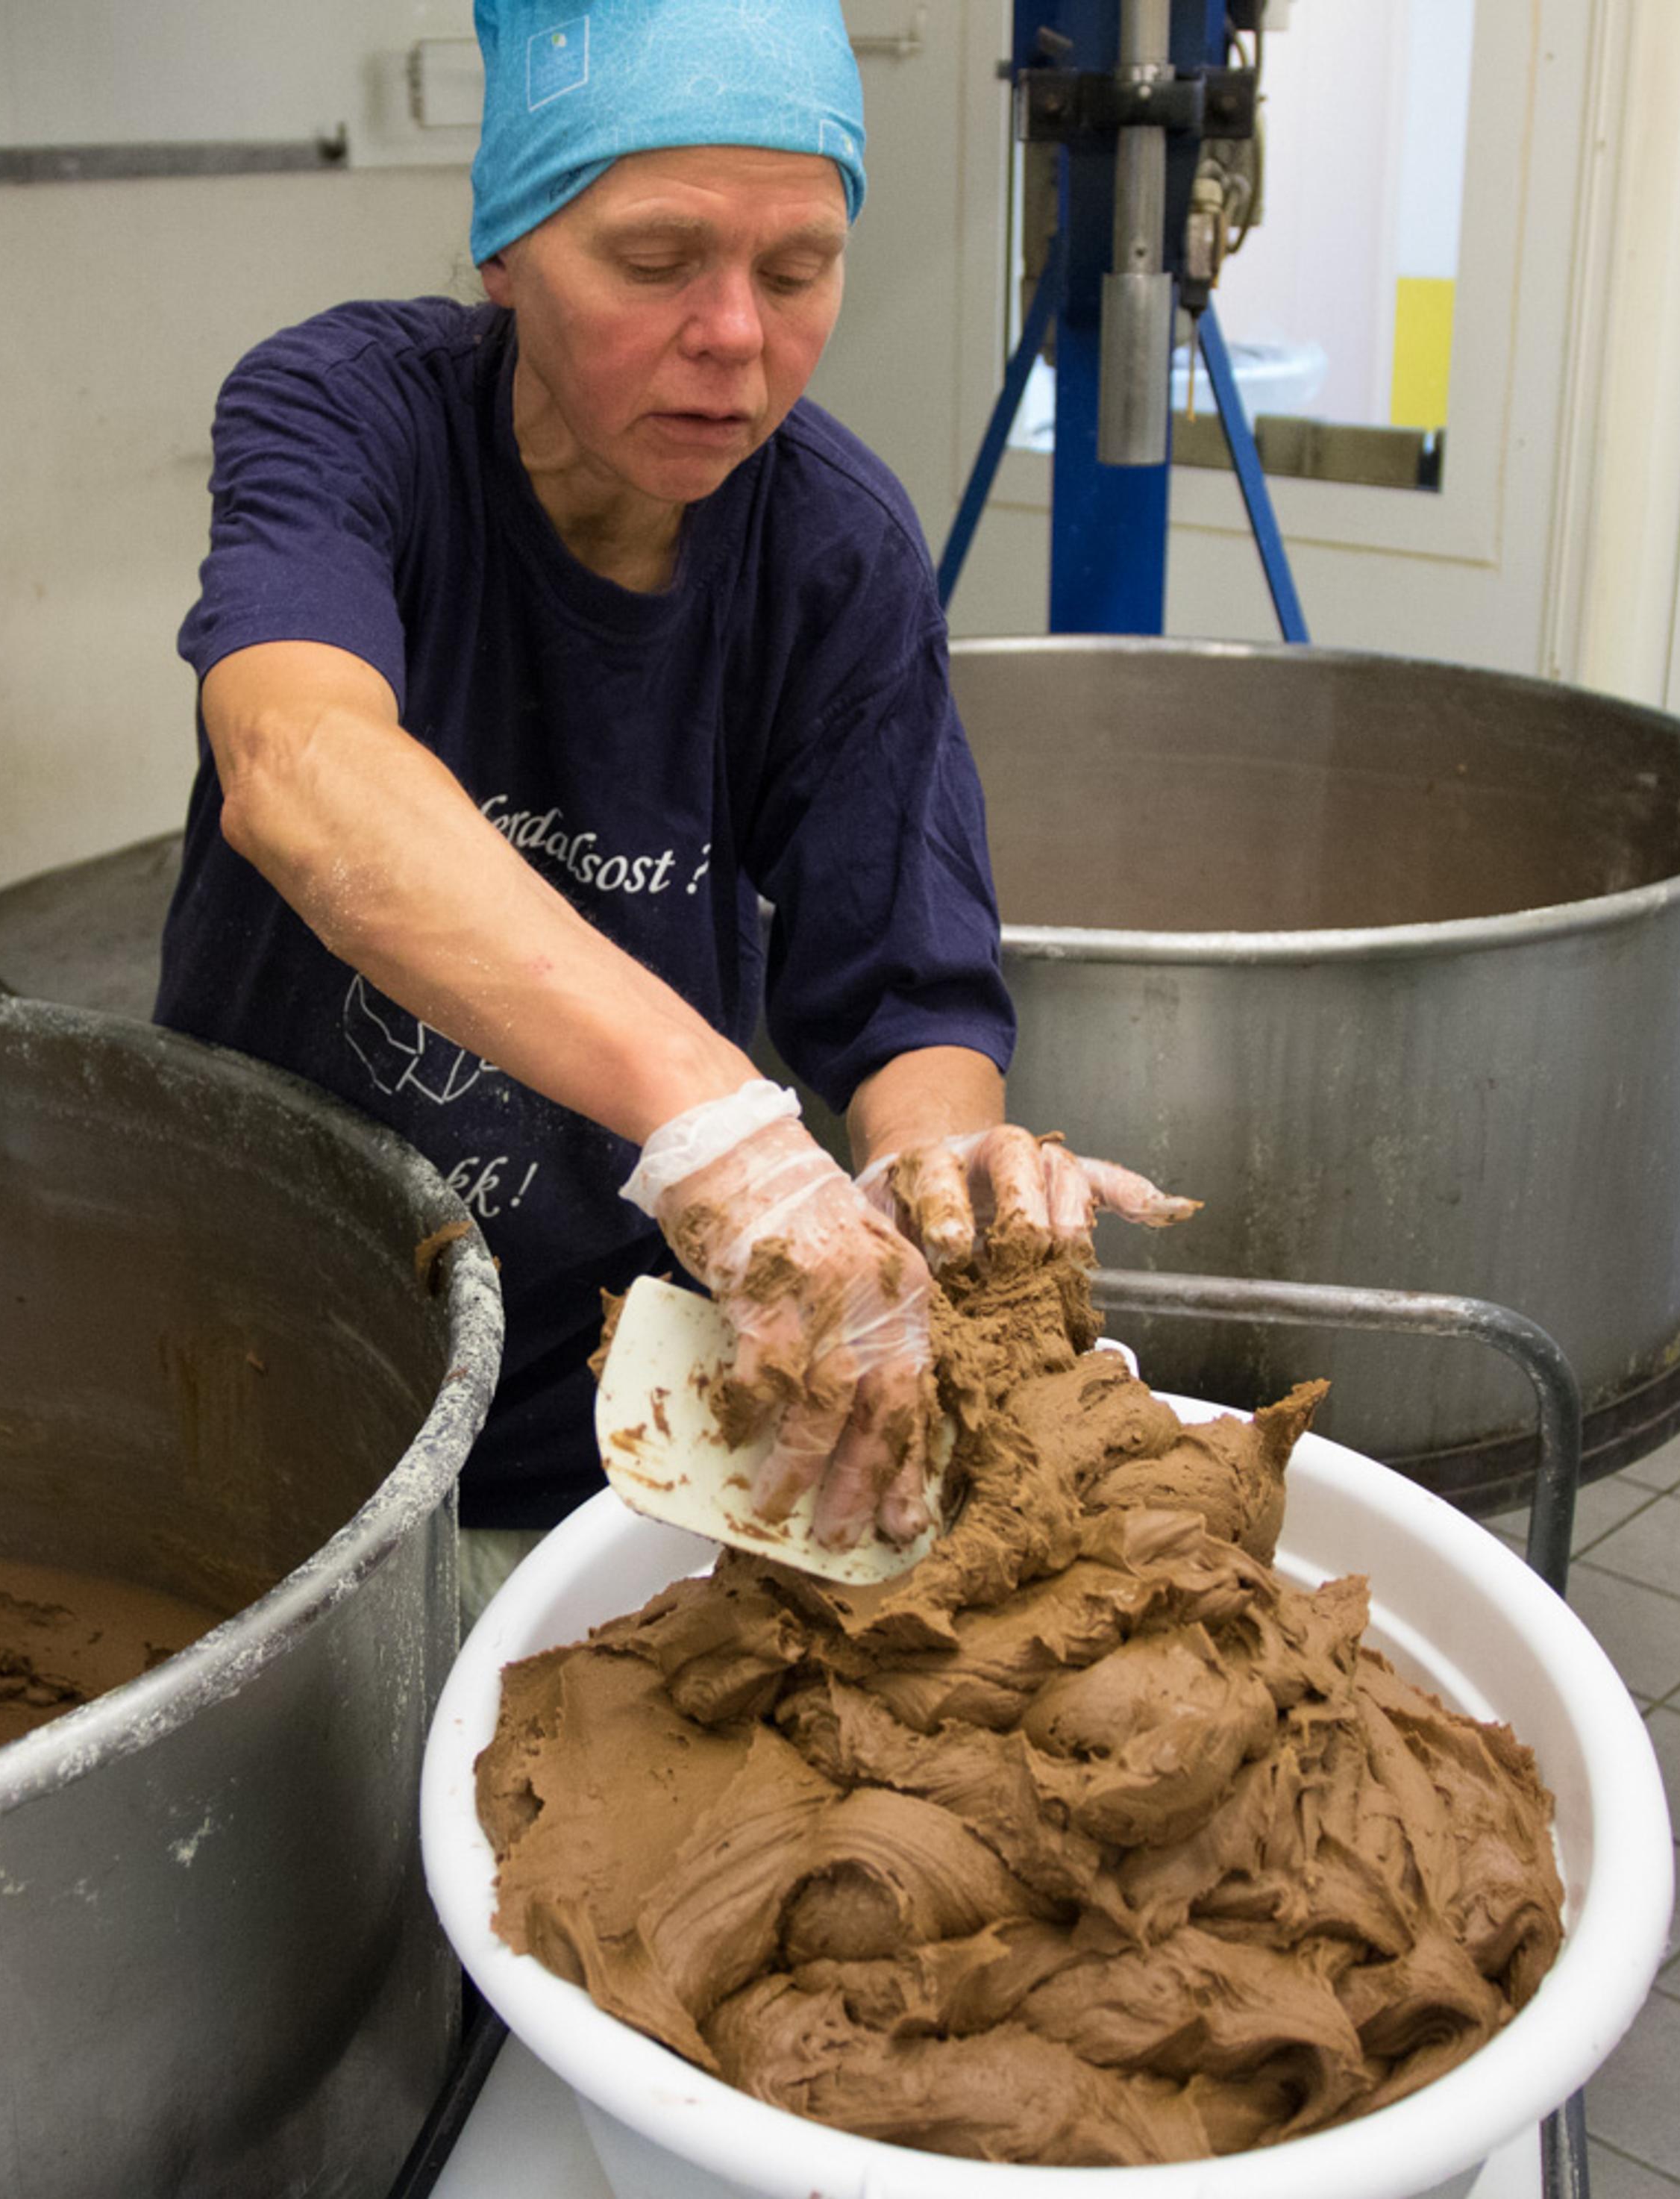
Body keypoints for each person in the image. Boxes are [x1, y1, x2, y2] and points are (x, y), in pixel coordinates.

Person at [153, 0, 1190, 1604]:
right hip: (282, 1345)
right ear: (506, 250)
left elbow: (905, 987)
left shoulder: (833, 553)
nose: (736, 337)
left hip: (606, 1400)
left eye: (798, 272)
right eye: (654, 263)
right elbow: (300, 765)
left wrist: (932, 1176)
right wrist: (727, 1132)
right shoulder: (351, 419)